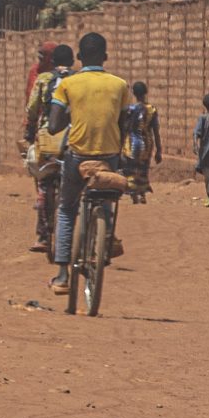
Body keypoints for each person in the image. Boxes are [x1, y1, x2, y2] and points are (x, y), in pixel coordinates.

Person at [45, 31, 133, 290]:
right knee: (106, 199)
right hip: (109, 157)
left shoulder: (67, 85)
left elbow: (52, 126)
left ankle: (62, 276)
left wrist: (70, 115)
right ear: (105, 57)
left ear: (79, 57)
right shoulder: (119, 85)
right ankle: (105, 237)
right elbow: (124, 122)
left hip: (77, 157)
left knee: (66, 209)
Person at [24, 43, 74, 249]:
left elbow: (32, 108)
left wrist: (29, 131)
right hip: (73, 137)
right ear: (72, 62)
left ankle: (43, 236)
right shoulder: (77, 79)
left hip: (47, 137)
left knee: (45, 183)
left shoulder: (43, 79)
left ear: (52, 61)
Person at [127, 80, 162, 201]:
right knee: (143, 167)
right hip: (147, 143)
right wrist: (159, 150)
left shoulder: (130, 109)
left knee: (132, 167)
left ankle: (134, 192)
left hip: (131, 143)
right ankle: (142, 193)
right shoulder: (151, 109)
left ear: (134, 93)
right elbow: (156, 131)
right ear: (145, 92)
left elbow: (125, 128)